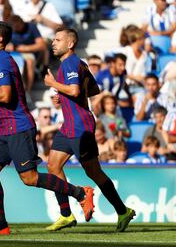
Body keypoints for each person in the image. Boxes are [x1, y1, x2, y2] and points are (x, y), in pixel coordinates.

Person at [0, 21, 94, 235]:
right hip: (3, 127)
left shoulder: (2, 61)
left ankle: (81, 193)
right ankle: (0, 225)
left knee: (29, 178)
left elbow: (5, 96)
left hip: (18, 126)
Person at [43, 26, 135, 232]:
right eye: (54, 40)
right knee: (53, 166)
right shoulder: (79, 64)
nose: (53, 43)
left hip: (79, 125)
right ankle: (66, 215)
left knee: (93, 171)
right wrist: (64, 96)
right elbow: (93, 89)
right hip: (69, 125)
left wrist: (54, 84)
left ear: (70, 43)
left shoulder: (70, 63)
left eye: (58, 40)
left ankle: (122, 211)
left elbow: (75, 90)